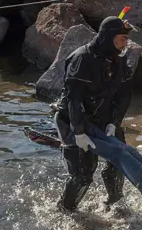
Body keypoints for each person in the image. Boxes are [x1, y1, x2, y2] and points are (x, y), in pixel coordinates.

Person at [53, 15, 135, 211]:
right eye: (122, 39)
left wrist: (114, 122)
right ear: (109, 37)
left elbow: (124, 96)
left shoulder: (119, 62)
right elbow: (73, 99)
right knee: (83, 175)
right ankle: (66, 210)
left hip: (104, 120)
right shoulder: (82, 59)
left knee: (120, 161)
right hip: (73, 120)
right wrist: (79, 132)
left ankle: (113, 204)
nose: (126, 44)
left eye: (126, 40)